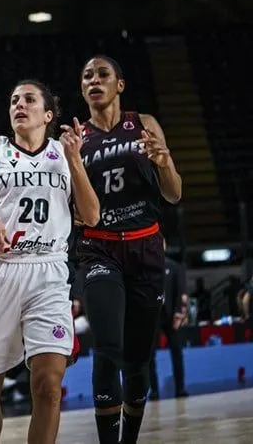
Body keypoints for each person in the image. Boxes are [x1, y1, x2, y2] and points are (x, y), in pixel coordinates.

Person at [0, 81, 100, 444]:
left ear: (48, 115)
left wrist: (75, 160)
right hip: (2, 270)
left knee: (48, 385)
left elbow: (91, 215)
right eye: (13, 100)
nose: (19, 105)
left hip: (50, 272)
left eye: (28, 99)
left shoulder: (64, 152)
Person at [77, 55, 182, 444]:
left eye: (103, 74)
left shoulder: (144, 125)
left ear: (119, 84)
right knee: (108, 345)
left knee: (138, 360)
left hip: (145, 249)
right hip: (99, 250)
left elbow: (174, 193)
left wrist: (164, 161)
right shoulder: (76, 139)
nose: (94, 81)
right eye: (87, 76)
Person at [148, 238, 188, 399]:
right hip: (152, 315)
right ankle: (154, 390)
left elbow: (181, 292)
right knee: (150, 355)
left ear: (165, 245)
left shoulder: (174, 267)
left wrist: (180, 313)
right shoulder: (145, 267)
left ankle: (180, 388)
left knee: (177, 352)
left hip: (171, 314)